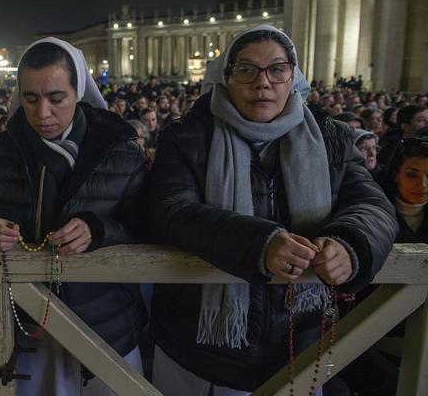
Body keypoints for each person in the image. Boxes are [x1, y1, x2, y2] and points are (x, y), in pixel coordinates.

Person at [148, 25, 398, 395]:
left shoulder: (331, 138)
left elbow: (372, 203)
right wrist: (260, 244)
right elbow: (172, 210)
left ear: (292, 77)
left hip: (302, 341)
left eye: (276, 70)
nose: (262, 83)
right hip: (201, 347)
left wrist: (351, 243)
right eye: (246, 69)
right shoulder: (186, 136)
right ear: (226, 77)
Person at [0, 37, 147, 396]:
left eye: (56, 98)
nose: (42, 114)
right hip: (24, 325)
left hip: (106, 322)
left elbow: (146, 222)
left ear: (77, 91)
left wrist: (98, 230)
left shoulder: (121, 152)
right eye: (31, 99)